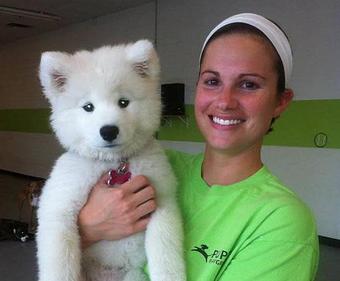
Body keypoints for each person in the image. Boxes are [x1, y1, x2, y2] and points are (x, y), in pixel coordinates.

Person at [78, 13, 319, 280]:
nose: (225, 101)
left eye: (248, 84)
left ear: (280, 102)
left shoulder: (280, 221)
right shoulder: (157, 165)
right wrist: (88, 229)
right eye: (212, 81)